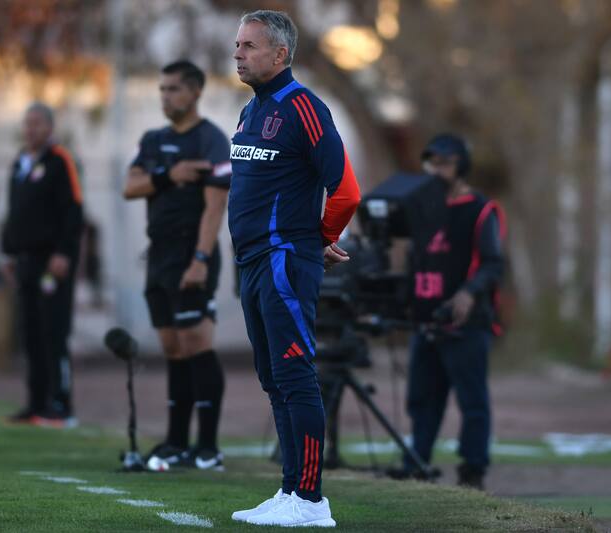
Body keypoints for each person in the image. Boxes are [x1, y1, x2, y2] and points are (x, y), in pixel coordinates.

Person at [228, 10, 360, 528]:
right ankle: (289, 490)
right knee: (273, 380)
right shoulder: (249, 111)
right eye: (237, 44)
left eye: (249, 45)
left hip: (285, 261)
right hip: (252, 262)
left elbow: (345, 192)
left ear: (280, 54)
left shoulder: (305, 107)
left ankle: (310, 500)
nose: (238, 53)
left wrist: (316, 239)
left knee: (295, 375)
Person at [123, 60, 232, 470]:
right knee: (172, 348)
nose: (166, 97)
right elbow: (130, 186)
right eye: (162, 89)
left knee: (196, 345)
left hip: (192, 254)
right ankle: (175, 442)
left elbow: (214, 207)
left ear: (195, 92)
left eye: (173, 89)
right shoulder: (153, 140)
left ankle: (208, 447)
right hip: (160, 257)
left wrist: (201, 259)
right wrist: (171, 175)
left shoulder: (212, 141)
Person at [389, 133, 505, 490]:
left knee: (472, 402)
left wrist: (469, 294)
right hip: (426, 321)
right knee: (421, 400)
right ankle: (417, 463)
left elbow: (493, 263)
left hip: (465, 325)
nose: (437, 170)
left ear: (462, 166)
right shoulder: (422, 209)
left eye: (445, 163)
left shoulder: (481, 209)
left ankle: (473, 470)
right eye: (432, 163)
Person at [1, 102, 84, 428]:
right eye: (27, 123)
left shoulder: (61, 161)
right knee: (30, 331)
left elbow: (73, 210)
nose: (31, 129)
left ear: (49, 127)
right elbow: (14, 213)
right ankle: (35, 402)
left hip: (52, 262)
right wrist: (8, 253)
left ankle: (61, 403)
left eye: (37, 123)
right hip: (26, 261)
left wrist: (65, 252)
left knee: (53, 329)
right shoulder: (19, 164)